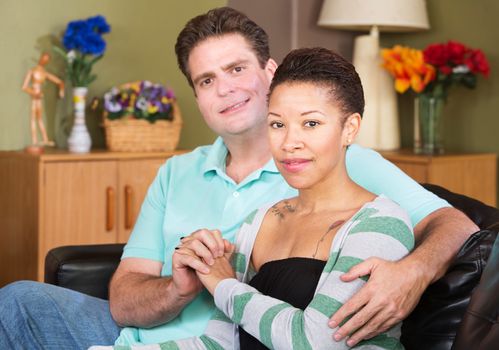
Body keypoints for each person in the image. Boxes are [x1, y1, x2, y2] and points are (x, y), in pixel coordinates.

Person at [0, 7, 477, 349]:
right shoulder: (177, 172)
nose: (224, 88)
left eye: (236, 68)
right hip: (145, 337)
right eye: (206, 80)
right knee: (16, 301)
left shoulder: (342, 161)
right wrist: (181, 287)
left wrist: (412, 274)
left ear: (269, 72)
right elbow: (124, 300)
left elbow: (457, 225)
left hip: (253, 338)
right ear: (197, 96)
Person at [91, 46, 415, 350]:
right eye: (277, 124)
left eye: (311, 123)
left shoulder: (380, 224)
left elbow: (316, 340)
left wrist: (222, 284)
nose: (290, 142)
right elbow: (221, 342)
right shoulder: (261, 221)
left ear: (350, 128)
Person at [22, 52, 65, 147]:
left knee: (39, 118)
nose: (44, 61)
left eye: (46, 60)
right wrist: (34, 92)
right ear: (40, 58)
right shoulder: (32, 71)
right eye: (43, 58)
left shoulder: (45, 73)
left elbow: (59, 82)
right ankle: (34, 140)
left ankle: (45, 139)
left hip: (39, 97)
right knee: (33, 118)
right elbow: (24, 87)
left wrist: (61, 90)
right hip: (35, 96)